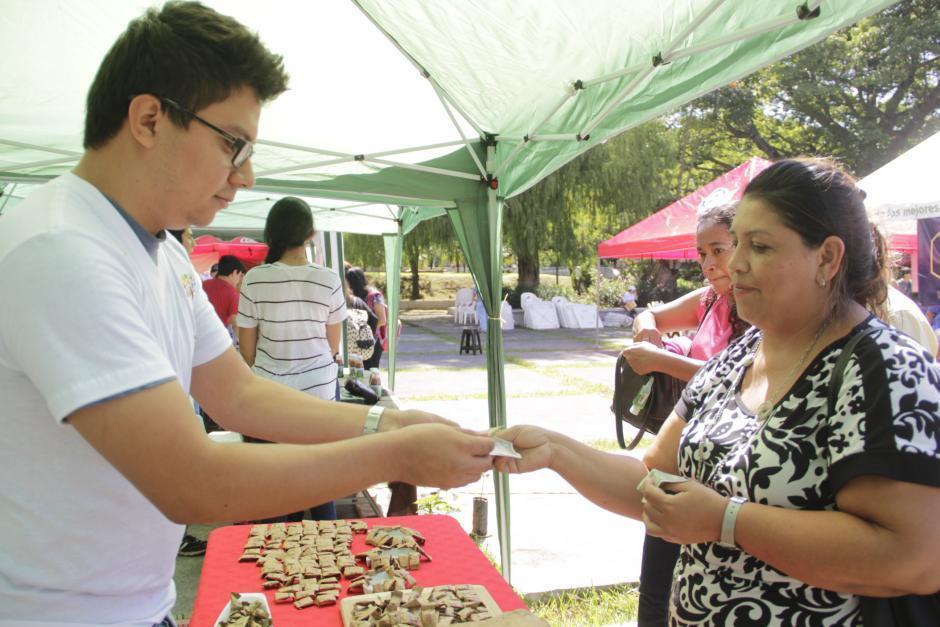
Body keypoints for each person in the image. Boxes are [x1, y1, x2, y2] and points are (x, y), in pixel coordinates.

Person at [0, 4, 494, 623]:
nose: (247, 174)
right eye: (234, 145)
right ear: (149, 119)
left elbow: (238, 394)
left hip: (135, 603)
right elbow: (191, 480)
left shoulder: (162, 253)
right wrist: (394, 455)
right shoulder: (60, 249)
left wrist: (384, 426)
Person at [496, 158, 940, 625]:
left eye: (760, 246)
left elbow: (913, 558)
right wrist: (554, 451)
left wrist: (727, 521)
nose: (736, 263)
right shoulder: (741, 355)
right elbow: (650, 483)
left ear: (827, 258)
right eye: (738, 243)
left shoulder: (882, 367)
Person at [620, 202, 748, 626]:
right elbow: (652, 311)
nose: (710, 264)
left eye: (719, 250)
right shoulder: (712, 298)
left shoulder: (761, 310)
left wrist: (661, 361)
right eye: (701, 254)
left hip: (726, 470)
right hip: (682, 452)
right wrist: (647, 327)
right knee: (656, 576)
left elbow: (735, 377)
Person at [237, 196, 345, 520]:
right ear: (311, 233)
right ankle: (328, 558)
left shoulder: (254, 279)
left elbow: (247, 351)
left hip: (272, 397)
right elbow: (333, 346)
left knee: (275, 485)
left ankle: (275, 564)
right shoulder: (329, 279)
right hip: (320, 396)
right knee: (320, 483)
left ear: (271, 234)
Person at [346, 266, 388, 370]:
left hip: (372, 340)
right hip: (357, 341)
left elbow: (382, 320)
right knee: (358, 371)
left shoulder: (374, 296)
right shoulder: (354, 297)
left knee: (371, 371)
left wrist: (364, 329)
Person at [204, 253, 246, 331]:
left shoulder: (202, 285)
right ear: (235, 272)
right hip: (217, 336)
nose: (239, 280)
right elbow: (236, 323)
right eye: (239, 275)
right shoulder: (233, 293)